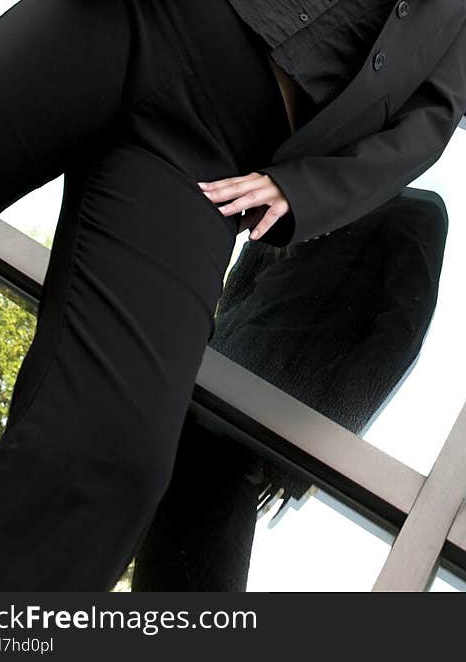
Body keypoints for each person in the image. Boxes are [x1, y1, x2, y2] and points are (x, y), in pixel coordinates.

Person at [0, 0, 466, 589]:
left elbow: (424, 128)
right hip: (116, 26)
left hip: (204, 156)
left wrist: (304, 193)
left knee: (117, 451)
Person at [129, 185, 449, 592]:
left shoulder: (416, 210)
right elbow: (239, 285)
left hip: (258, 430)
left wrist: (309, 450)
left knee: (188, 570)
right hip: (200, 392)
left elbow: (395, 341)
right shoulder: (303, 189)